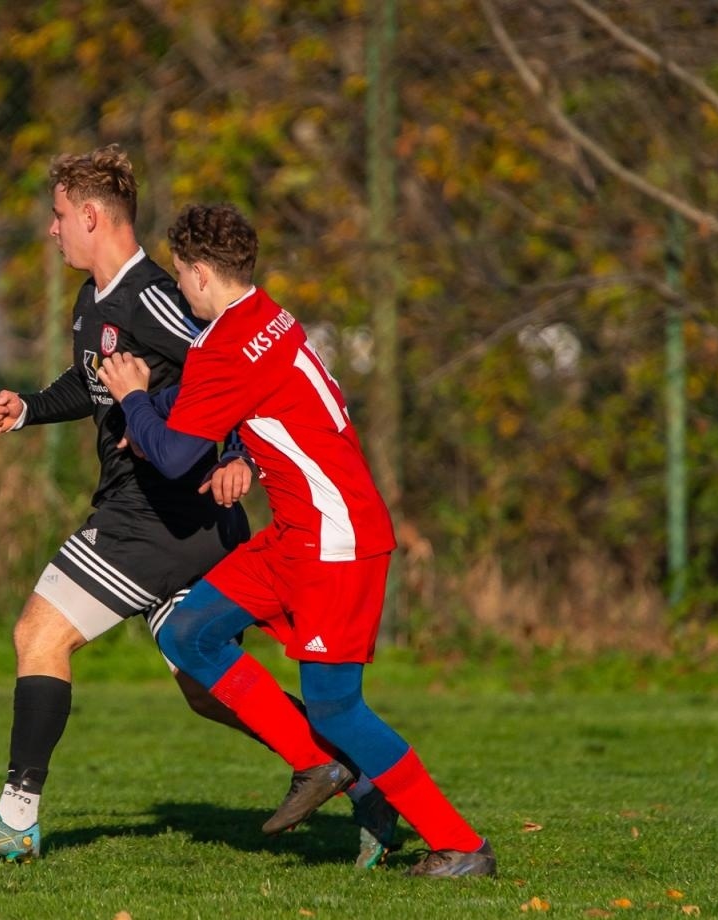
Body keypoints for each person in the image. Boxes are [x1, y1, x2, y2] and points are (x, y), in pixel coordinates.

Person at [0, 146, 385, 864]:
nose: (51, 230)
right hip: (169, 521)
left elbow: (236, 368)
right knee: (204, 685)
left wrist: (238, 456)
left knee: (39, 634)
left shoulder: (157, 299)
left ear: (91, 216)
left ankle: (14, 819)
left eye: (57, 215)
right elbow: (93, 383)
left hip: (153, 517)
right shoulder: (94, 300)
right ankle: (355, 774)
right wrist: (29, 409)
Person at [97, 203, 494, 877]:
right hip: (296, 535)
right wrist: (159, 418)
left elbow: (175, 456)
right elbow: (210, 400)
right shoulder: (264, 317)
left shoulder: (225, 345)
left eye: (180, 274)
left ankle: (459, 845)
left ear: (198, 273)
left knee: (338, 709)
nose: (179, 287)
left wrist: (134, 400)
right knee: (188, 634)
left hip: (336, 541)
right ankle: (320, 766)